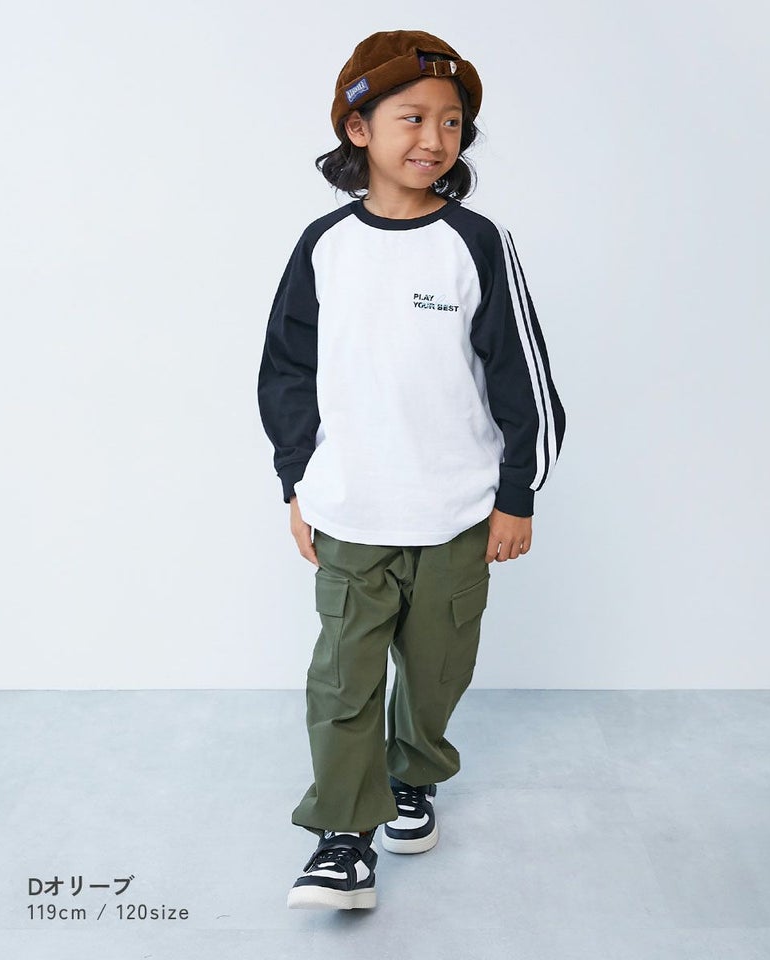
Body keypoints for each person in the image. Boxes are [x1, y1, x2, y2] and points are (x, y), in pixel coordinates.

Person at [257, 29, 566, 911]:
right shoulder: (323, 245)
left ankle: (413, 773)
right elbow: (286, 372)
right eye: (412, 118)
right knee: (343, 679)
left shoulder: (476, 242)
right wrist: (298, 481)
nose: (435, 138)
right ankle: (342, 839)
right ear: (359, 129)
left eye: (452, 122)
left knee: (435, 673)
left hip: (458, 512)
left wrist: (517, 495)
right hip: (351, 511)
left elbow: (525, 381)